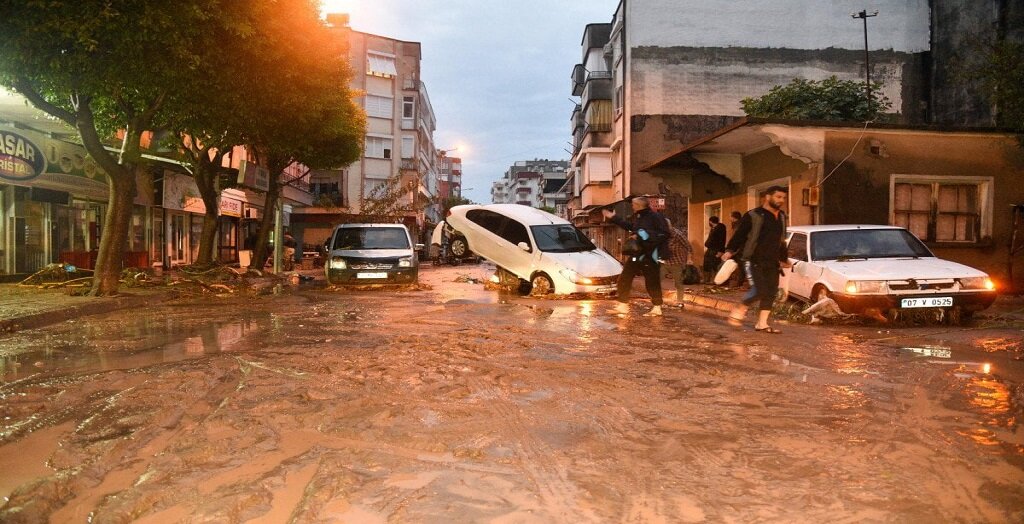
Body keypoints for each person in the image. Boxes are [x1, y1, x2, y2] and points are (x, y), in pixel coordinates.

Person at [721, 186, 791, 333]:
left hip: (772, 261)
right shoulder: (753, 215)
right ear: (767, 197)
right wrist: (729, 250)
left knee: (771, 291)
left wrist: (784, 258)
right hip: (753, 259)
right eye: (778, 197)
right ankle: (740, 308)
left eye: (783, 198)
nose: (782, 200)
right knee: (760, 290)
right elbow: (740, 234)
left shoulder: (782, 216)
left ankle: (762, 324)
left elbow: (782, 240)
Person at [602, 196, 670, 316]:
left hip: (650, 254)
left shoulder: (655, 216)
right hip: (637, 253)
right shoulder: (639, 217)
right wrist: (613, 217)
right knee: (625, 277)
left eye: (633, 204)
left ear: (639, 205)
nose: (632, 206)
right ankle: (622, 305)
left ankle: (657, 307)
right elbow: (631, 227)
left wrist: (640, 235)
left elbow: (664, 234)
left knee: (652, 280)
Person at [662, 219, 693, 308]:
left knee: (678, 282)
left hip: (677, 261)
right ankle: (658, 301)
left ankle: (680, 302)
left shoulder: (677, 234)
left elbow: (688, 246)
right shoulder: (663, 234)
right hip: (665, 261)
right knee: (657, 280)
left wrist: (689, 259)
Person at [703, 216, 727, 283]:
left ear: (710, 221)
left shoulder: (720, 228)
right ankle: (707, 279)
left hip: (716, 249)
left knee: (714, 263)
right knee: (707, 262)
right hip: (710, 248)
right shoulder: (713, 228)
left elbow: (722, 240)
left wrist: (720, 251)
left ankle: (714, 280)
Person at [726, 211, 746, 288]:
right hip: (738, 249)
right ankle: (739, 282)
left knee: (742, 266)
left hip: (740, 249)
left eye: (730, 217)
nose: (729, 218)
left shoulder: (739, 226)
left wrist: (733, 249)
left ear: (734, 217)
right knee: (740, 266)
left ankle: (740, 283)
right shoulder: (736, 225)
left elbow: (737, 238)